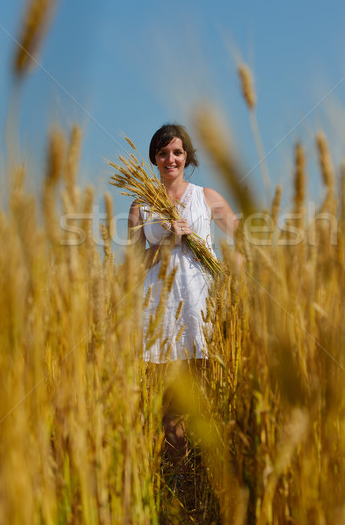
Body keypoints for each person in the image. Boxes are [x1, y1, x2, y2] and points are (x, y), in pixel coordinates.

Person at [128, 123, 239, 461]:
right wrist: (170, 241)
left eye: (177, 152)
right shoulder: (140, 207)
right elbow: (134, 265)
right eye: (163, 153)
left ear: (187, 157)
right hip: (161, 311)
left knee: (206, 391)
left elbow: (242, 235)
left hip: (200, 307)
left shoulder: (206, 197)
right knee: (170, 401)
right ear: (154, 158)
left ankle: (210, 471)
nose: (170, 159)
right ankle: (180, 473)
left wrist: (237, 274)